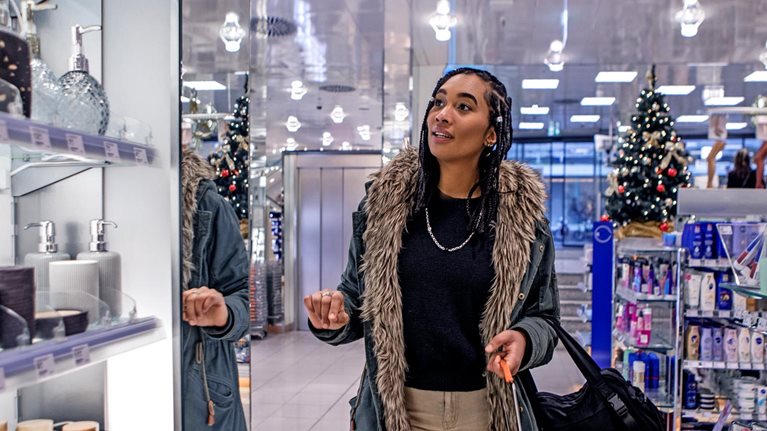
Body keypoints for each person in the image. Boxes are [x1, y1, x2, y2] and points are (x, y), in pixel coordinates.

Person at [305, 67, 560, 431]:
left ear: (491, 134)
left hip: (488, 412)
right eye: (438, 102)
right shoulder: (384, 208)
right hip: (398, 411)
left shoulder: (523, 221)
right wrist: (334, 316)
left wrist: (523, 338)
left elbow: (546, 320)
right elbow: (355, 298)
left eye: (463, 107)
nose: (442, 114)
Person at [181, 147, 249, 430]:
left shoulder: (205, 205)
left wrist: (223, 314)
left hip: (201, 381)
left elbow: (242, 293)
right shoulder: (106, 193)